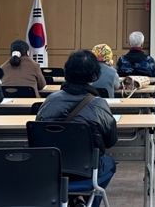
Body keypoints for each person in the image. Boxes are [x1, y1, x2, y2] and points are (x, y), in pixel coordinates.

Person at [36, 50, 118, 207]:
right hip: (86, 169)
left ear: (67, 72)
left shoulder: (49, 101)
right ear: (94, 75)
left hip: (51, 168)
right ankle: (86, 202)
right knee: (110, 163)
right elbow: (111, 141)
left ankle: (74, 199)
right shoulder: (98, 104)